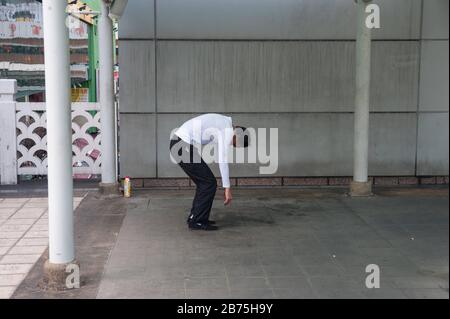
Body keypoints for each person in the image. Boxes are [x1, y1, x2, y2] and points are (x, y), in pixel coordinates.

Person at [169, 113, 249, 231]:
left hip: (179, 143)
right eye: (235, 143)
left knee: (204, 183)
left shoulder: (224, 124)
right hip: (182, 145)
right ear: (237, 135)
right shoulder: (227, 130)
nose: (231, 145)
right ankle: (198, 220)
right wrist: (227, 188)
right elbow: (222, 160)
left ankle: (195, 217)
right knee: (208, 183)